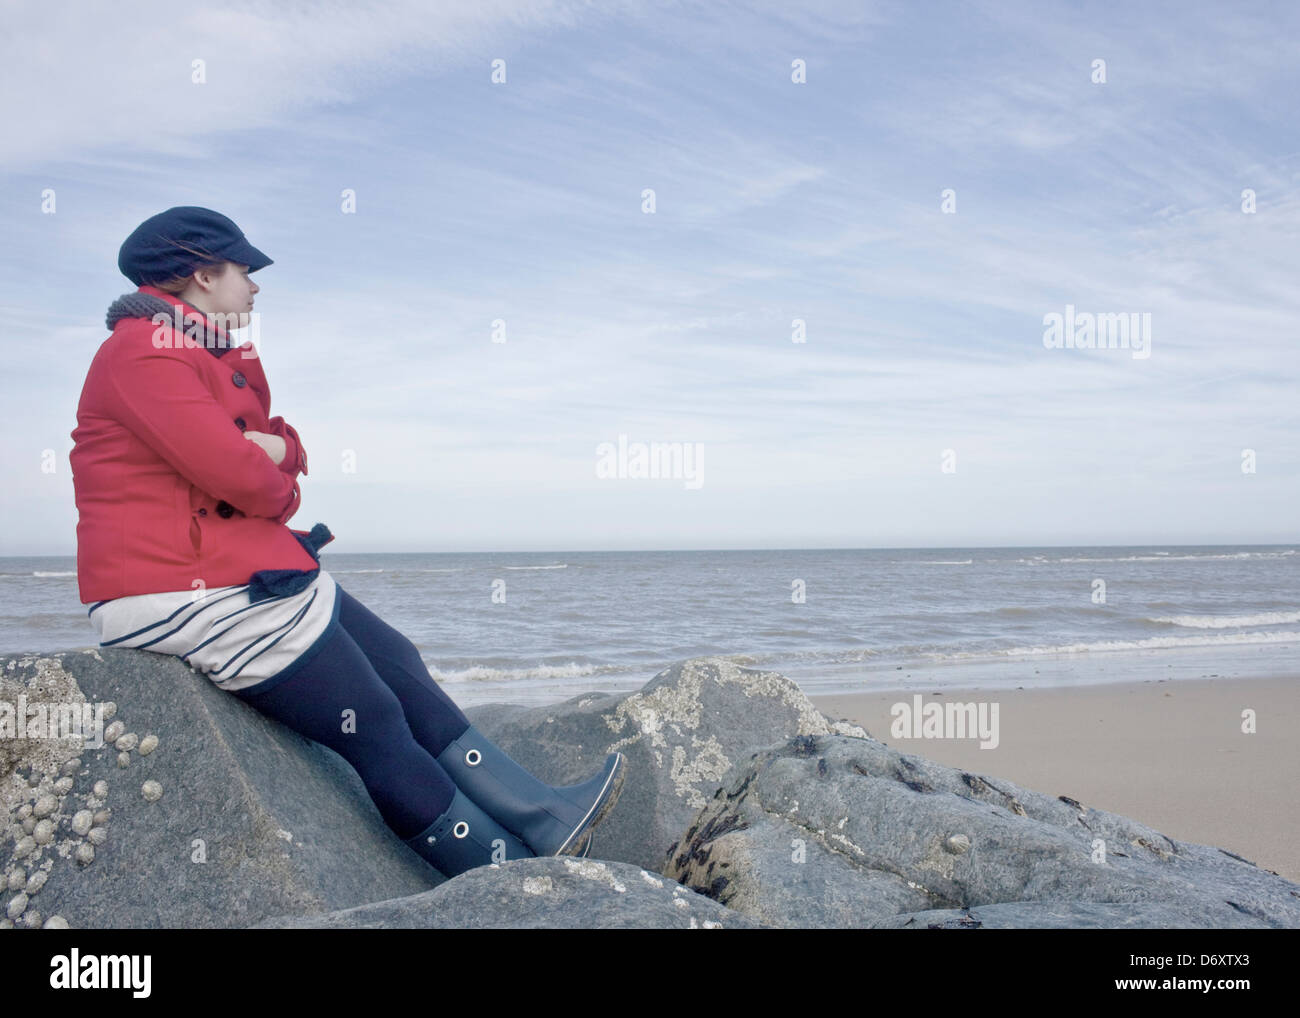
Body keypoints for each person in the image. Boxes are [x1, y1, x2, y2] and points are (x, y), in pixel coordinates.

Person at [69, 206, 624, 877]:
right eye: (245, 269)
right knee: (375, 723)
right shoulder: (143, 352)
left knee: (398, 662)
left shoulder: (197, 349)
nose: (255, 284)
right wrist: (273, 469)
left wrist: (272, 450)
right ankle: (510, 880)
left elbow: (279, 446)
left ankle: (546, 817)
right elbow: (249, 481)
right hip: (182, 591)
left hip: (240, 570)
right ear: (200, 273)